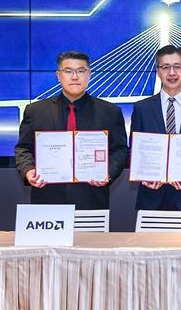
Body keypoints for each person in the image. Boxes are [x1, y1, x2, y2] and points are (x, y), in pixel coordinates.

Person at [15, 51, 128, 209]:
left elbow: (120, 150)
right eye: (68, 71)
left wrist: (107, 172)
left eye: (81, 71)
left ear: (89, 75)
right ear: (58, 75)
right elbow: (23, 148)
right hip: (47, 197)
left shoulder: (110, 112)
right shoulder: (35, 111)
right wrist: (28, 170)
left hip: (92, 198)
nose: (75, 77)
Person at [130, 45, 181, 211]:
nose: (172, 73)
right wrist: (144, 176)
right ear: (157, 71)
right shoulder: (142, 109)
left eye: (177, 66)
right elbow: (134, 150)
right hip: (151, 196)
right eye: (165, 67)